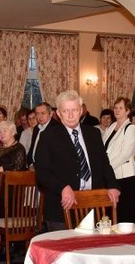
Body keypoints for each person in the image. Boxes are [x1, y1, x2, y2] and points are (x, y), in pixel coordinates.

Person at [35, 90, 119, 231]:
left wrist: (113, 185)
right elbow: (42, 173)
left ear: (80, 111)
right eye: (65, 111)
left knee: (95, 244)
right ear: (58, 113)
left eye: (74, 110)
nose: (70, 115)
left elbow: (104, 164)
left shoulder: (93, 133)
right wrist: (62, 187)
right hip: (61, 207)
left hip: (93, 205)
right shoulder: (48, 136)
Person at [103, 98, 135, 223]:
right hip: (112, 174)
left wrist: (107, 168)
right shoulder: (112, 126)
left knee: (125, 212)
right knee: (112, 211)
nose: (117, 110)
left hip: (125, 176)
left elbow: (125, 154)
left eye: (121, 108)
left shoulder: (130, 128)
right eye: (115, 108)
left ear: (127, 111)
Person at [26, 102, 53, 168]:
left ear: (50, 114)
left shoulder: (56, 129)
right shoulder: (36, 128)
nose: (40, 116)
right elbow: (32, 149)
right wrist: (31, 164)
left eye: (43, 113)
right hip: (34, 168)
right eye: (37, 114)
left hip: (48, 170)